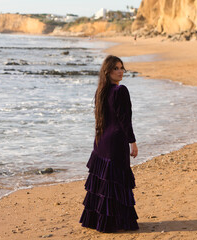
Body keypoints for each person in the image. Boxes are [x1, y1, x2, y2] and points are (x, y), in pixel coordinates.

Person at [79, 55, 139, 232]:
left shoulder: (100, 91)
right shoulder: (120, 91)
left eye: (122, 68)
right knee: (116, 182)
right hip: (115, 142)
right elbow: (124, 120)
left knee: (104, 183)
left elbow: (101, 120)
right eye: (116, 68)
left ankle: (99, 221)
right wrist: (133, 142)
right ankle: (116, 222)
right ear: (108, 71)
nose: (121, 71)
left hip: (101, 143)